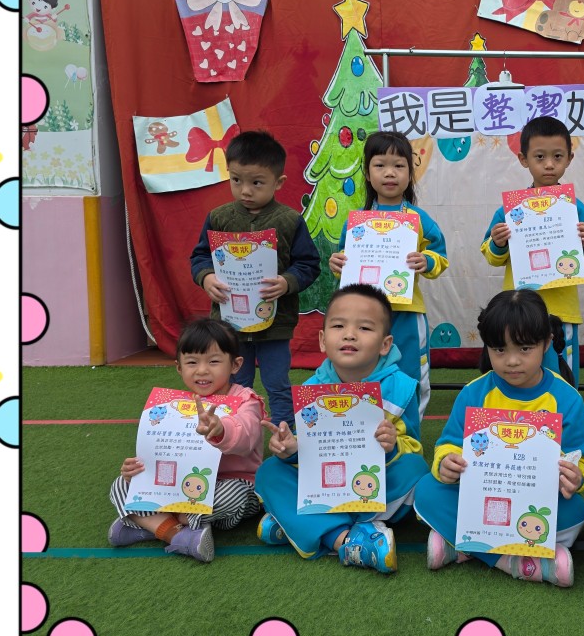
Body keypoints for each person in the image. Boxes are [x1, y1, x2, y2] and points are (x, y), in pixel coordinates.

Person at [412, 290, 584, 586]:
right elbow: (449, 443)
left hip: (534, 505)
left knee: (576, 510)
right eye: (499, 350)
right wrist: (446, 463)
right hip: (484, 500)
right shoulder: (474, 393)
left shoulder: (567, 398)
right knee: (426, 492)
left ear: (547, 343)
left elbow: (581, 455)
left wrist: (577, 476)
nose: (511, 361)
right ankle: (514, 561)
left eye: (525, 349)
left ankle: (461, 545)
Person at [253, 284, 427, 573]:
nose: (349, 334)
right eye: (338, 326)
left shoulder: (402, 388)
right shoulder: (312, 389)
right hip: (324, 486)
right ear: (323, 340)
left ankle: (299, 522)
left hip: (372, 487)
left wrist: (392, 445)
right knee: (270, 471)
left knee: (416, 469)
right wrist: (289, 449)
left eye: (364, 328)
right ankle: (347, 539)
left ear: (385, 344)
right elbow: (305, 453)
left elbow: (413, 447)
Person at [190, 130, 320, 431]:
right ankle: (232, 435)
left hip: (275, 323)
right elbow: (200, 257)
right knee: (235, 382)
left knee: (277, 383)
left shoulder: (289, 220)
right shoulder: (219, 217)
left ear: (278, 182)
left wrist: (287, 281)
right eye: (236, 180)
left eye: (256, 183)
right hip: (230, 324)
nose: (245, 190)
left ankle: (285, 439)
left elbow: (309, 264)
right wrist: (206, 277)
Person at [108, 319, 263, 562]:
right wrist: (136, 469)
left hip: (233, 483)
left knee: (233, 496)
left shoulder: (246, 400)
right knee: (120, 485)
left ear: (235, 365)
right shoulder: (171, 405)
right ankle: (178, 534)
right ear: (179, 368)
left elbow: (247, 436)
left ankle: (149, 524)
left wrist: (221, 429)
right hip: (178, 485)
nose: (202, 370)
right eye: (192, 362)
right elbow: (157, 450)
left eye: (213, 361)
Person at [329, 131, 448, 419]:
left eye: (399, 165)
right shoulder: (356, 223)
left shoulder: (418, 219)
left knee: (410, 371)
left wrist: (427, 260)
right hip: (363, 314)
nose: (390, 173)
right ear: (367, 173)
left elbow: (440, 255)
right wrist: (337, 263)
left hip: (406, 314)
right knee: (361, 369)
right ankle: (362, 429)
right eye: (380, 165)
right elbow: (344, 260)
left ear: (410, 172)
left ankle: (408, 433)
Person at [479, 115, 584, 380]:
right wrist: (498, 243)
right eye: (539, 157)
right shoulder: (510, 209)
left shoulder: (575, 208)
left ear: (569, 158)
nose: (549, 164)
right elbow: (490, 256)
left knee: (562, 377)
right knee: (517, 371)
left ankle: (564, 410)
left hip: (562, 312)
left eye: (557, 156)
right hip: (519, 310)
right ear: (524, 159)